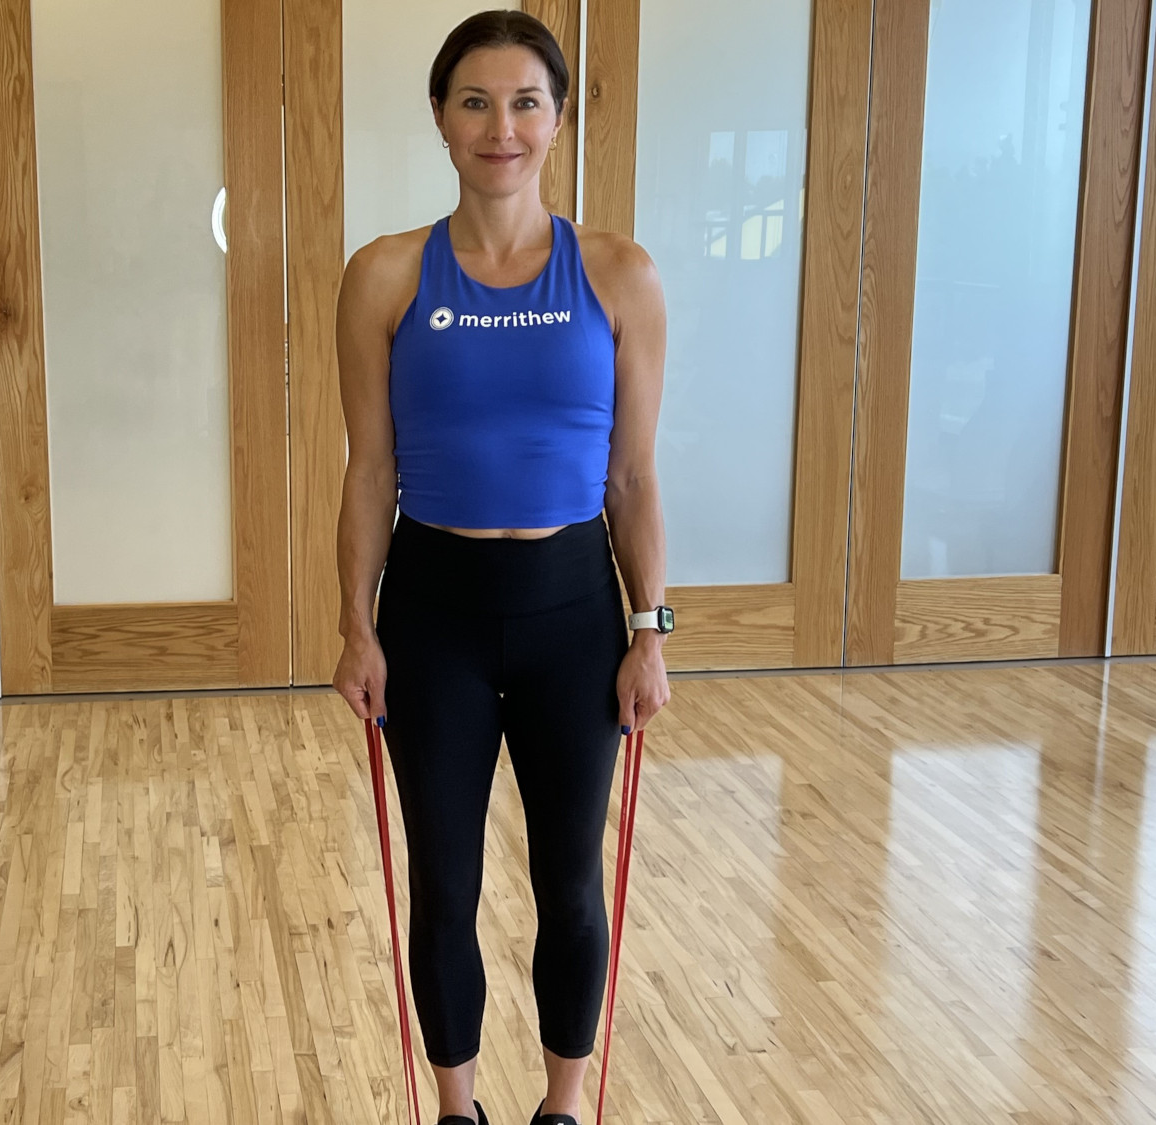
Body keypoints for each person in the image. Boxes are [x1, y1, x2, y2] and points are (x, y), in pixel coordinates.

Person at [331, 11, 671, 1124]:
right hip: (433, 614)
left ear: (558, 120)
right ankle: (458, 1109)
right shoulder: (385, 275)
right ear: (439, 118)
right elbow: (368, 467)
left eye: (526, 102)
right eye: (474, 101)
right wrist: (355, 627)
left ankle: (564, 1109)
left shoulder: (617, 275)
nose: (501, 126)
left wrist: (648, 633)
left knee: (569, 881)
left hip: (573, 613)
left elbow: (630, 479)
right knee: (446, 886)